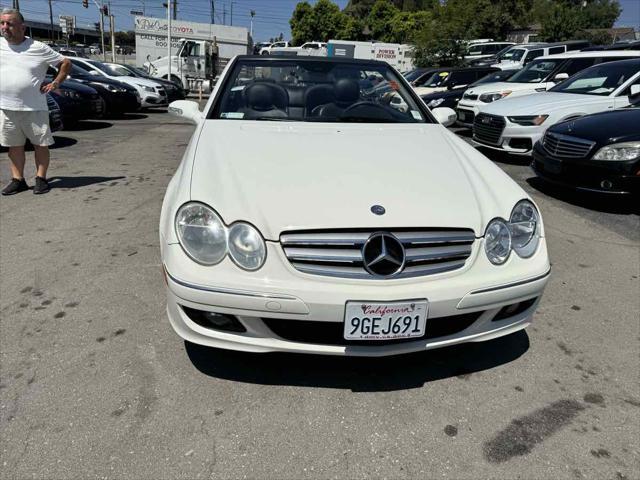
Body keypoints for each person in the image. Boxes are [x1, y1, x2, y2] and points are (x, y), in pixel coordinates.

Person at [0, 8, 71, 195]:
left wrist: (55, 82)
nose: (5, 27)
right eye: (2, 23)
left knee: (40, 144)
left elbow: (65, 63)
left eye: (10, 24)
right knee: (14, 146)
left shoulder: (38, 48)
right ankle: (18, 180)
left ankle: (41, 178)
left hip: (34, 107)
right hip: (7, 107)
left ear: (22, 27)